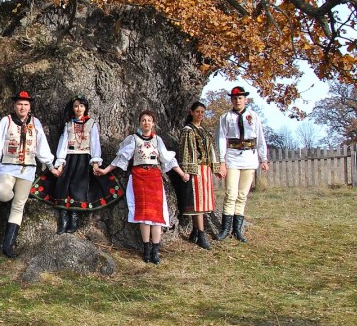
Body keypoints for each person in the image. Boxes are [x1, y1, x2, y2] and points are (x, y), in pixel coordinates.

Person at [95, 110, 189, 264]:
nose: (146, 123)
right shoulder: (133, 139)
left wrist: (182, 174)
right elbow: (122, 157)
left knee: (157, 215)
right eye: (143, 120)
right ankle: (146, 248)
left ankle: (155, 250)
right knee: (143, 214)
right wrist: (105, 170)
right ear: (140, 123)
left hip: (154, 178)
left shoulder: (157, 140)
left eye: (149, 120)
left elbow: (167, 159)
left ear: (153, 123)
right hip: (138, 177)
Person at [29, 95, 123, 233]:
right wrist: (60, 163)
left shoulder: (91, 124)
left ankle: (74, 218)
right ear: (73, 108)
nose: (79, 108)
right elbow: (63, 144)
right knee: (63, 185)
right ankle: (63, 218)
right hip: (69, 158)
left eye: (81, 106)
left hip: (84, 160)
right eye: (76, 106)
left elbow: (95, 143)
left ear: (85, 108)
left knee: (79, 188)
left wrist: (95, 162)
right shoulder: (68, 124)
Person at [0, 90, 58, 258]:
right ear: (14, 106)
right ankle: (8, 201)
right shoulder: (6, 121)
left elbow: (42, 147)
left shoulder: (36, 123)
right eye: (19, 104)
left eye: (25, 104)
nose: (22, 107)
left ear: (30, 106)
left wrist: (50, 165)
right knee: (2, 194)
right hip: (7, 167)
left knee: (18, 206)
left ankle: (8, 245)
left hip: (27, 170)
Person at [215, 86, 269, 242]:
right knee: (231, 193)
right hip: (232, 157)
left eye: (240, 98)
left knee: (242, 195)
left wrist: (263, 158)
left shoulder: (253, 116)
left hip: (249, 158)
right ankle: (225, 229)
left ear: (245, 99)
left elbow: (260, 137)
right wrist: (222, 160)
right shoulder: (225, 117)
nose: (237, 101)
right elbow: (221, 138)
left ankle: (237, 230)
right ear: (231, 100)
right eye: (234, 98)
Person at [177, 101, 221, 250]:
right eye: (197, 112)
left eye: (202, 112)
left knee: (204, 202)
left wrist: (215, 167)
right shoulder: (188, 130)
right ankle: (201, 233)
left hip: (205, 169)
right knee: (198, 203)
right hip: (195, 169)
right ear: (191, 112)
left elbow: (212, 150)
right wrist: (188, 169)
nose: (200, 114)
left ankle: (196, 231)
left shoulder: (204, 131)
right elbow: (186, 152)